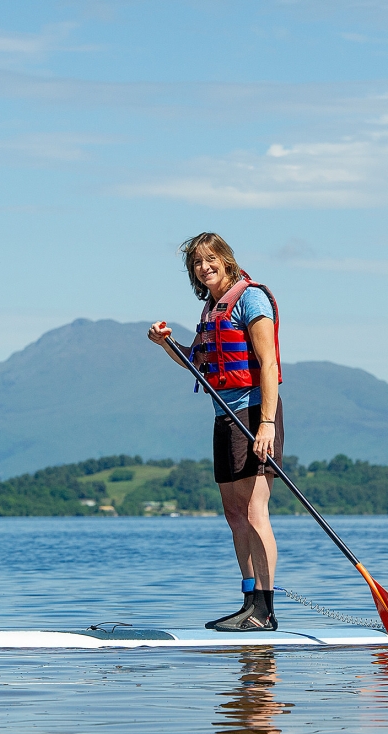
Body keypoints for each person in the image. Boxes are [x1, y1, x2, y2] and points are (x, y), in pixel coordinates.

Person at [148, 232, 284, 632]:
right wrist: (165, 343)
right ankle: (248, 602)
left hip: (255, 413)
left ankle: (266, 609)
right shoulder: (212, 310)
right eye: (196, 262)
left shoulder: (251, 299)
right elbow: (195, 363)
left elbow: (269, 364)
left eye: (210, 259)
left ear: (225, 260)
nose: (203, 267)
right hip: (224, 417)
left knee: (256, 511)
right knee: (233, 513)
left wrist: (267, 424)